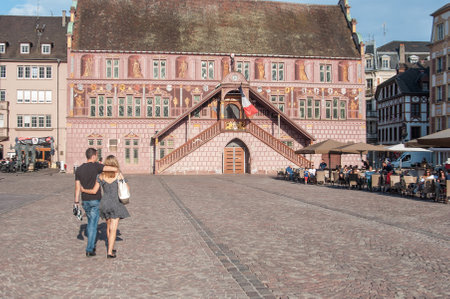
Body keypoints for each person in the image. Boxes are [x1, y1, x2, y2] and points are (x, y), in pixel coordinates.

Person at [81, 155, 130, 259]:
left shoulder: (100, 176)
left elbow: (94, 191)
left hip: (104, 203)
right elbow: (126, 188)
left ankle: (110, 247)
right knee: (113, 229)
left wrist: (84, 190)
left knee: (108, 227)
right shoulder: (118, 174)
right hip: (115, 203)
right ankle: (110, 252)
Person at [74, 148, 117, 257]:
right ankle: (90, 249)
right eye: (97, 155)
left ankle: (91, 245)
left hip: (85, 200)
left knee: (90, 223)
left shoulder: (79, 169)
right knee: (93, 225)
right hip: (95, 199)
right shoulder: (96, 166)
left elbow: (77, 187)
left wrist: (76, 202)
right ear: (93, 156)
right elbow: (110, 169)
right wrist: (115, 168)